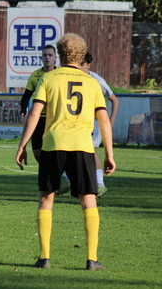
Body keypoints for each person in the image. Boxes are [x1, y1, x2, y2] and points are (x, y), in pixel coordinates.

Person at [15, 33, 116, 271]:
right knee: (88, 200)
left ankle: (44, 258)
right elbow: (103, 122)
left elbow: (33, 113)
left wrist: (21, 146)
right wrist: (109, 154)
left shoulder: (48, 79)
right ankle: (92, 259)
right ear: (81, 56)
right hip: (82, 146)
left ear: (59, 55)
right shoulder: (91, 83)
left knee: (46, 198)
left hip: (53, 144)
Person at [80, 52, 119, 197]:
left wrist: (111, 119)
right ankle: (69, 180)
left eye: (81, 64)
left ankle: (100, 184)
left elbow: (114, 100)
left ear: (88, 65)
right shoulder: (74, 77)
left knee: (90, 150)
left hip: (95, 122)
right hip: (81, 121)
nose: (78, 67)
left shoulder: (97, 80)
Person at [19, 45, 57, 163]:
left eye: (50, 55)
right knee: (37, 153)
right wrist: (23, 110)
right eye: (45, 55)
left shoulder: (59, 75)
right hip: (39, 118)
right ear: (41, 57)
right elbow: (26, 96)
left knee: (55, 151)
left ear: (55, 57)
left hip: (54, 118)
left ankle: (54, 175)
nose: (47, 57)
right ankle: (47, 173)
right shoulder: (35, 75)